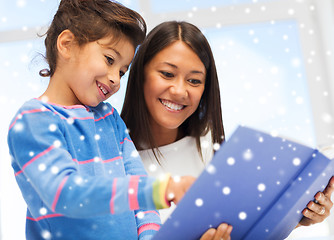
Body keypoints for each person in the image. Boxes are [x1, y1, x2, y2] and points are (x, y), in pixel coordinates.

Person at [121, 20, 334, 239]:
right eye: (167, 74)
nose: (179, 90)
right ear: (140, 73)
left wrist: (298, 218)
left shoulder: (214, 150)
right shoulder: (112, 163)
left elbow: (246, 229)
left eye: (194, 80)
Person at [7, 2, 195, 240]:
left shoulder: (110, 120)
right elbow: (66, 194)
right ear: (67, 44)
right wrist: (159, 190)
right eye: (109, 59)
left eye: (122, 71)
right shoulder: (33, 121)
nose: (116, 79)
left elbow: (142, 203)